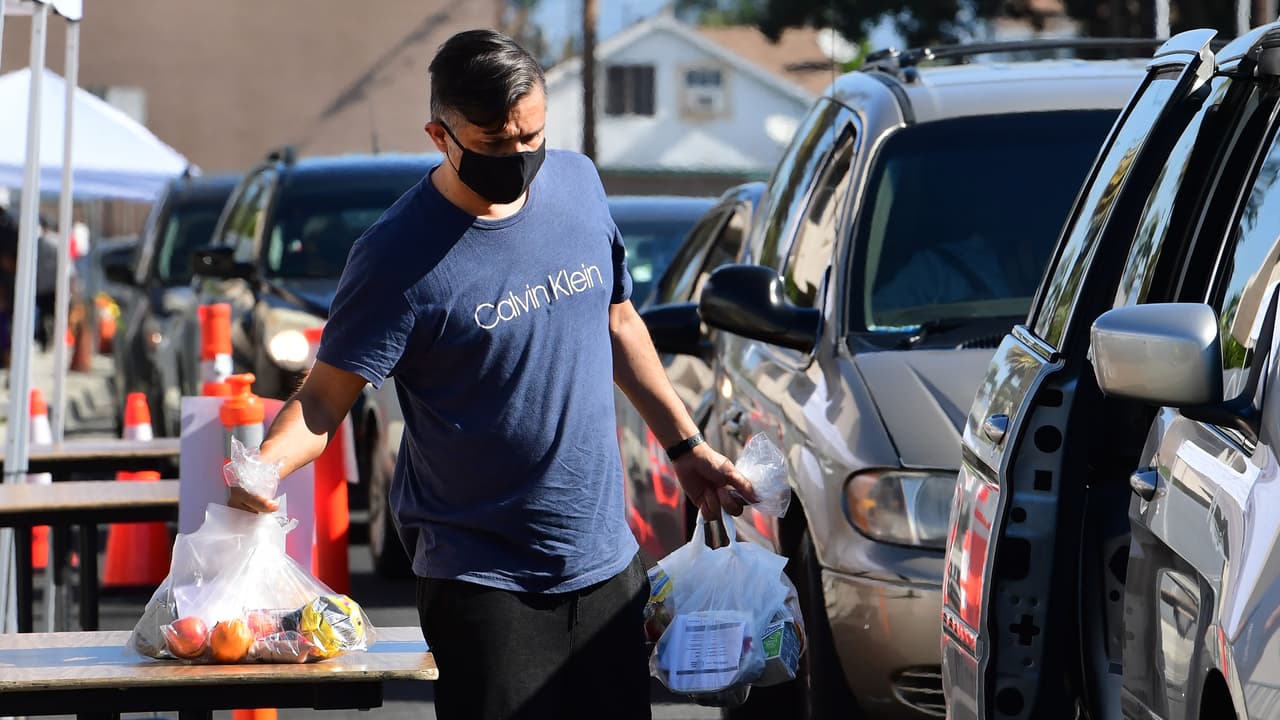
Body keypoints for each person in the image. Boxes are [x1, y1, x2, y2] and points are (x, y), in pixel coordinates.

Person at [227, 29, 756, 720]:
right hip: (481, 577)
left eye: (532, 136)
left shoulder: (579, 184)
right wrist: (266, 465)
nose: (519, 157)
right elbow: (325, 399)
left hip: (605, 560)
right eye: (495, 144)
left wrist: (686, 447)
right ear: (440, 137)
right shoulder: (395, 256)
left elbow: (620, 323)